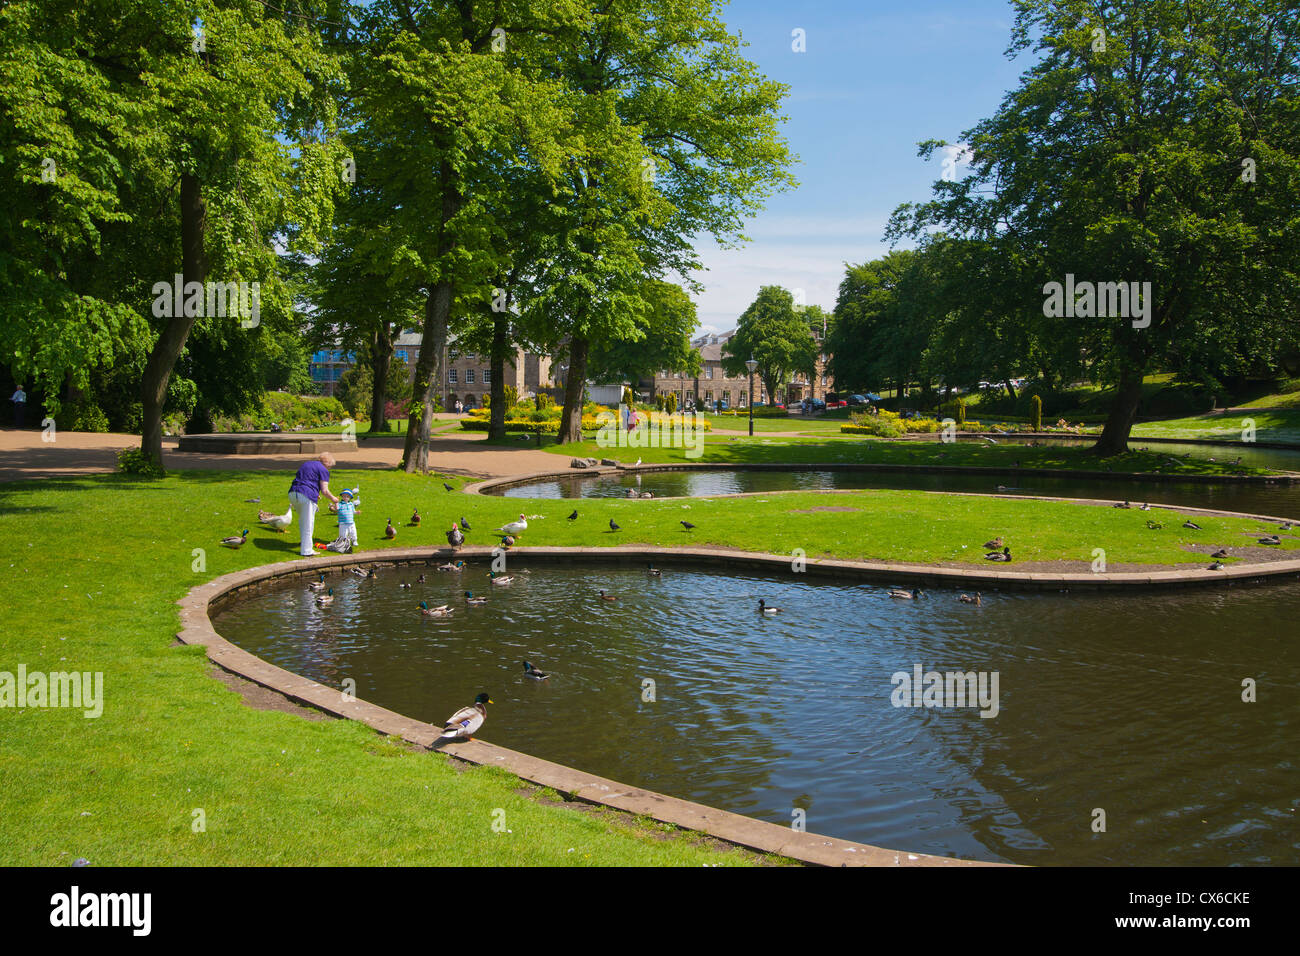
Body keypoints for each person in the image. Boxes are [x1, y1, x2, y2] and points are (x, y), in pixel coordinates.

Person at [287, 453, 338, 556]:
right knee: (308, 523)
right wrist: (334, 499)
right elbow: (324, 490)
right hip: (306, 495)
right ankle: (306, 550)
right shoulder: (323, 469)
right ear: (327, 463)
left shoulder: (306, 464)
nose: (329, 468)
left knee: (303, 521)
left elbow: (306, 480)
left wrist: (315, 494)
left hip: (293, 494)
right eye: (330, 466)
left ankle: (305, 544)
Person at [326, 487, 360, 553]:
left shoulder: (351, 504)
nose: (345, 497)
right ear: (342, 496)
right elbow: (336, 509)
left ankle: (354, 541)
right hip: (343, 523)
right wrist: (336, 502)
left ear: (350, 497)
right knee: (343, 534)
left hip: (351, 522)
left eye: (347, 496)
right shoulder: (340, 504)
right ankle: (343, 543)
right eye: (344, 496)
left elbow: (353, 511)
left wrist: (356, 512)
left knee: (353, 532)